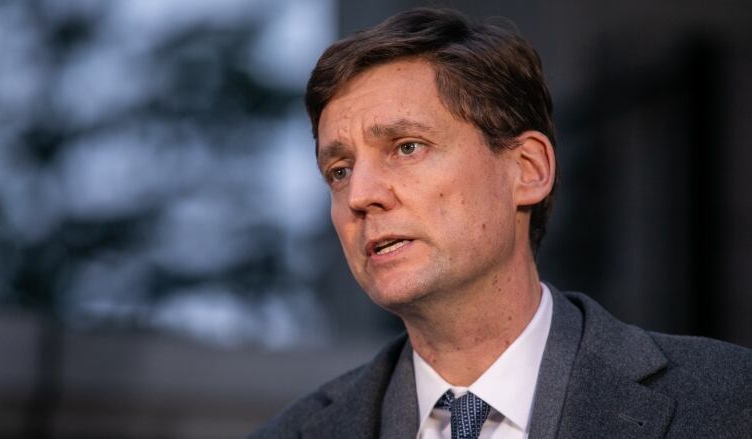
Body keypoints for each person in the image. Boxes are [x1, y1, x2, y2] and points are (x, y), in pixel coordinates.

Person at [250, 7, 751, 439]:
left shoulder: (729, 402)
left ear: (527, 170)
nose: (360, 195)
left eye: (407, 147)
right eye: (340, 171)